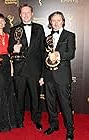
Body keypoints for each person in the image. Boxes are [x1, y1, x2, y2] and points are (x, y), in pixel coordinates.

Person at [8, 4, 45, 131]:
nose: (25, 15)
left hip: (35, 69)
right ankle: (19, 119)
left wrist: (42, 73)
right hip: (19, 70)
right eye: (23, 13)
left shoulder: (39, 29)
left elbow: (42, 51)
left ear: (32, 13)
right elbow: (9, 49)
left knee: (35, 97)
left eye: (28, 12)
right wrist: (14, 49)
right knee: (19, 97)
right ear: (20, 14)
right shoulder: (14, 29)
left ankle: (37, 120)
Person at [43, 11, 76, 140]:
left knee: (65, 104)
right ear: (50, 23)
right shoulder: (47, 38)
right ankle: (54, 125)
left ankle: (70, 130)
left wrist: (58, 55)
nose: (56, 23)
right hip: (48, 75)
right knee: (50, 103)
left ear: (63, 21)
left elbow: (71, 54)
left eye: (58, 20)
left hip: (62, 75)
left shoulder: (69, 35)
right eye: (53, 20)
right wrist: (42, 76)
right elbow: (44, 58)